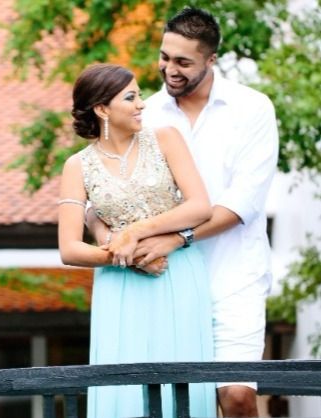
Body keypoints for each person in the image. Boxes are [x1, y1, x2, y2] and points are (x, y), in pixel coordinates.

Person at [88, 7, 279, 417]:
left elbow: (241, 201)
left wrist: (174, 238)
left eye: (183, 62)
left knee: (237, 395)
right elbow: (98, 191)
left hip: (235, 277)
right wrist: (115, 243)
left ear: (211, 60)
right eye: (164, 57)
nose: (168, 69)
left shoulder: (253, 109)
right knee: (172, 403)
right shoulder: (145, 112)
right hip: (163, 281)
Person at [58, 63, 216, 418]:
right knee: (125, 388)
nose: (142, 104)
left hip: (177, 274)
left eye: (140, 95)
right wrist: (125, 255)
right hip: (120, 288)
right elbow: (69, 248)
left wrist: (134, 233)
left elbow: (200, 206)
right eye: (131, 97)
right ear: (102, 109)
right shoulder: (77, 166)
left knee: (184, 380)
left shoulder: (165, 139)